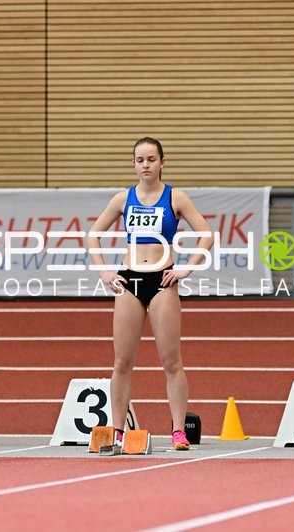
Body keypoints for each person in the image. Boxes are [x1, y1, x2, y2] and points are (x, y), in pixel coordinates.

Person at [87, 137, 214, 450]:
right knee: (121, 362)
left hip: (162, 282)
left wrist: (187, 268)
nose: (146, 165)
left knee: (171, 362)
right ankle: (118, 430)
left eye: (151, 159)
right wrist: (104, 271)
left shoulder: (176, 197)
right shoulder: (122, 199)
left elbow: (206, 235)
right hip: (129, 281)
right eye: (140, 160)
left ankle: (178, 431)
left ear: (162, 162)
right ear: (133, 164)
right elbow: (93, 235)